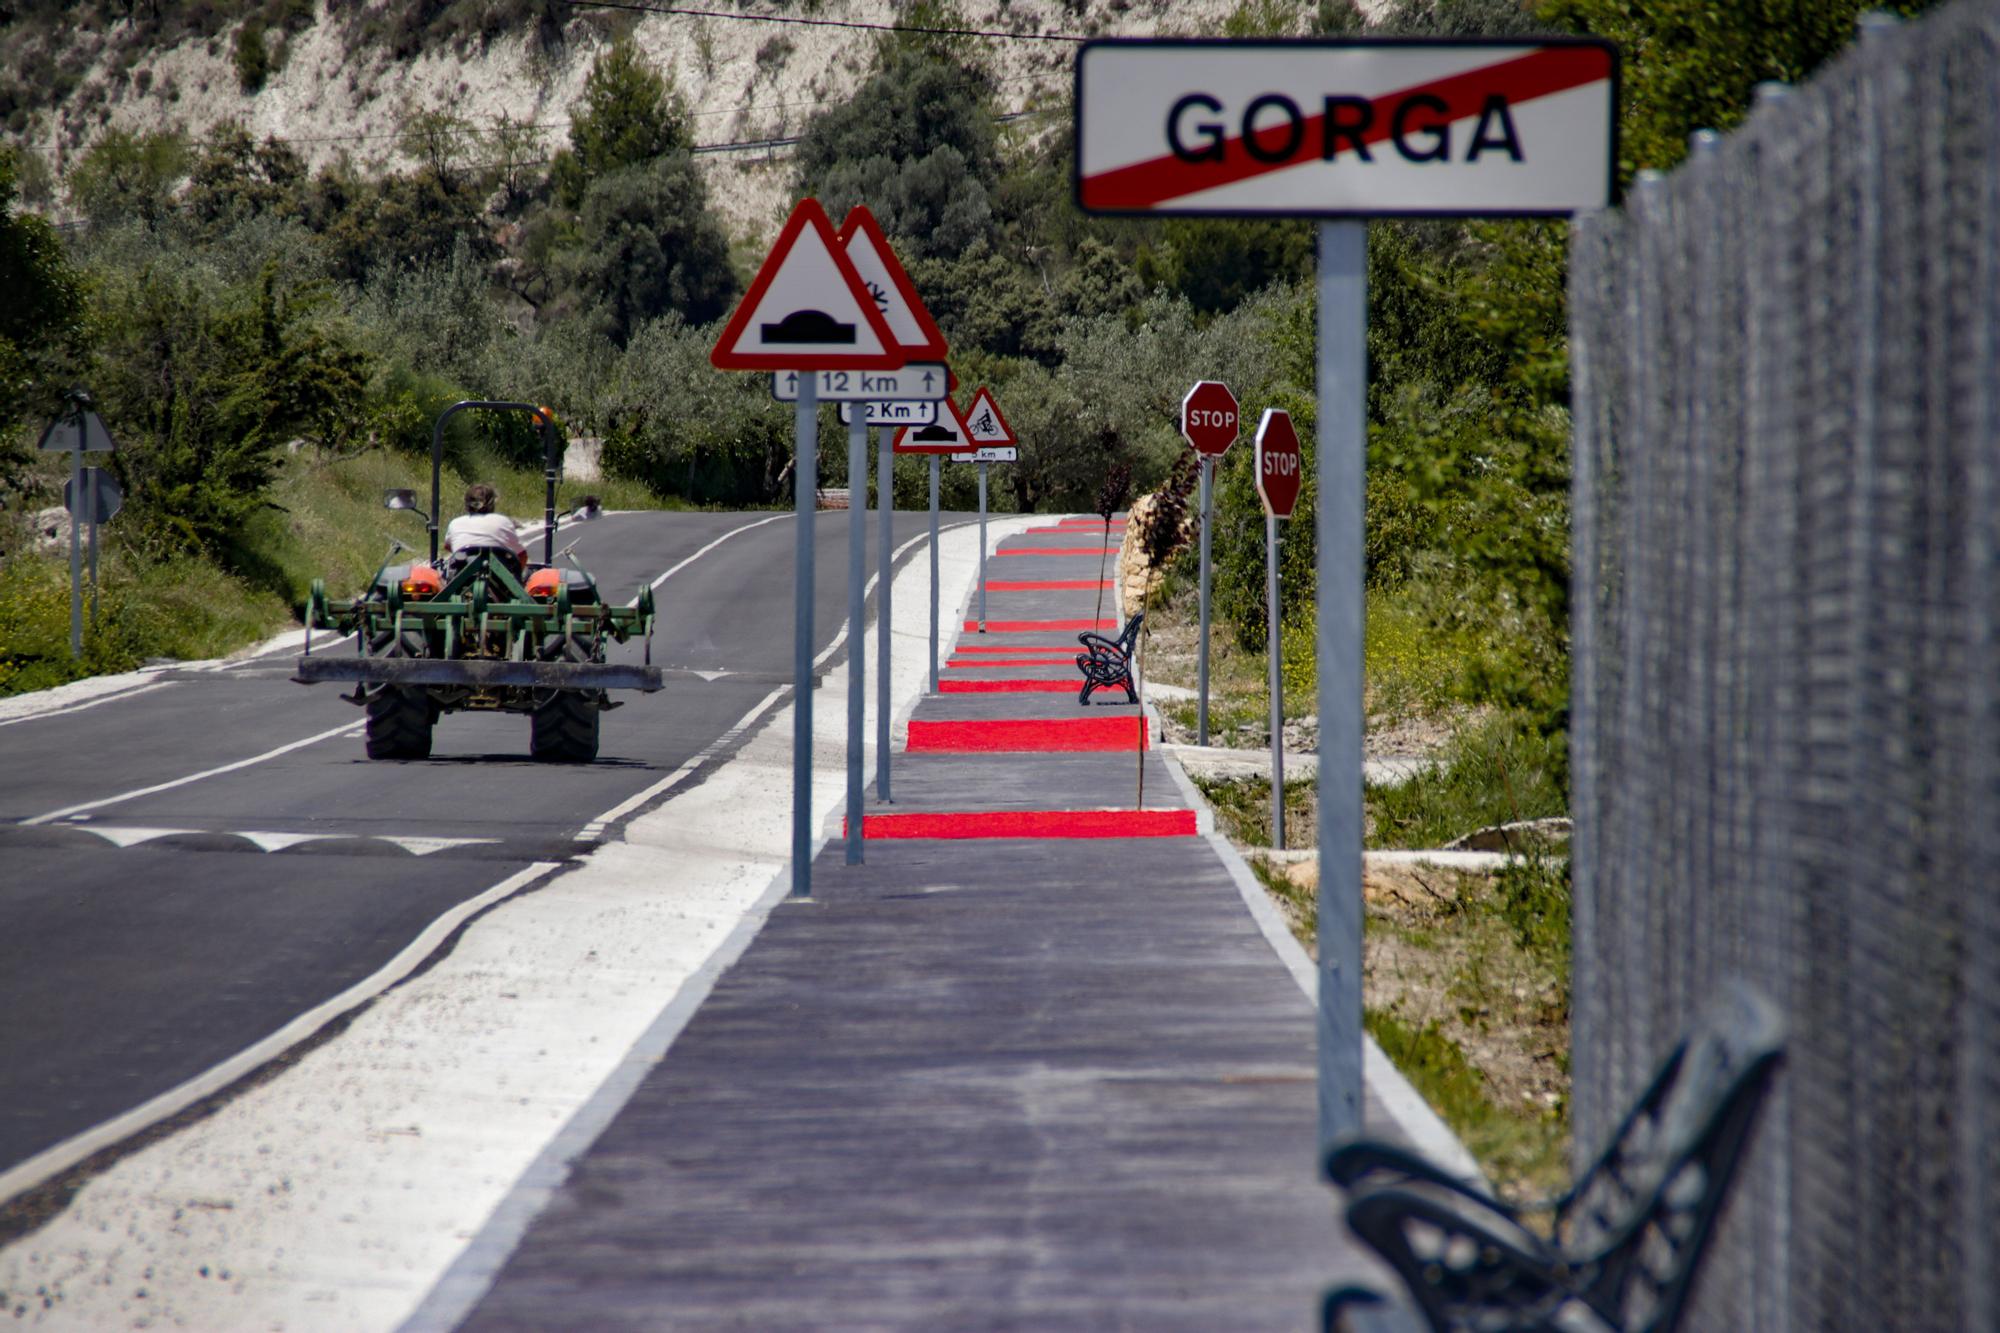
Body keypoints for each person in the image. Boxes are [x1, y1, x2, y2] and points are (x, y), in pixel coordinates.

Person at [442, 483, 526, 567]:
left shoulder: (455, 523)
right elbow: (521, 555)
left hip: (463, 575)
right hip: (499, 576)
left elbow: (448, 546)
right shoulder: (504, 521)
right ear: (492, 503)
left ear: (467, 504)